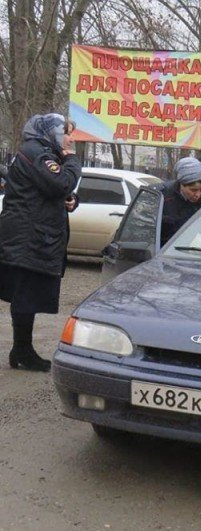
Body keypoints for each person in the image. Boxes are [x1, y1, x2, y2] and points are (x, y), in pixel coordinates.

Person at [0, 114, 81, 371]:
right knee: (25, 295)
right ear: (53, 132)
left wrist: (70, 200)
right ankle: (22, 351)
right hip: (28, 238)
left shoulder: (41, 152)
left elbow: (54, 190)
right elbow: (60, 183)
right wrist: (71, 159)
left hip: (31, 236)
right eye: (66, 132)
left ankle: (21, 350)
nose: (69, 139)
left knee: (26, 295)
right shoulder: (38, 153)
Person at [159, 157, 201, 246]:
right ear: (181, 185)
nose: (198, 195)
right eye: (193, 190)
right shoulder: (163, 196)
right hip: (162, 250)